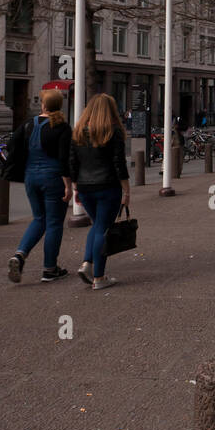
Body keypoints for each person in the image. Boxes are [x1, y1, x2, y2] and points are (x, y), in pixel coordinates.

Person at [7, 89, 72, 281]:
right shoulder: (62, 127)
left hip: (31, 177)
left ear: (43, 105)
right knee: (53, 223)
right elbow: (64, 159)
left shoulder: (28, 124)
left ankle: (20, 254)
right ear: (59, 106)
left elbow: (12, 145)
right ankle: (50, 268)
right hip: (53, 178)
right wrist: (68, 185)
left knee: (38, 219)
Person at [69, 93, 131, 289]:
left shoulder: (78, 131)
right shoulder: (113, 132)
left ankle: (87, 263)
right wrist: (127, 191)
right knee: (103, 229)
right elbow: (118, 163)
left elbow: (72, 163)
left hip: (86, 187)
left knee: (97, 225)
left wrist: (76, 186)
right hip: (108, 186)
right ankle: (99, 277)